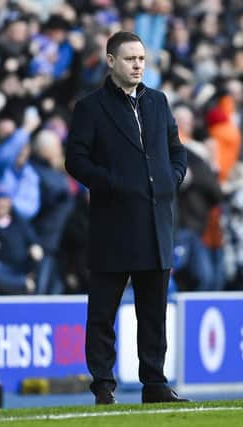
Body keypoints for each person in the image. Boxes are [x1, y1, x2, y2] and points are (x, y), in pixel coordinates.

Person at [65, 31, 187, 405]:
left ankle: (155, 385)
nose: (137, 65)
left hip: (155, 225)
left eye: (141, 59)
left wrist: (172, 178)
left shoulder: (159, 102)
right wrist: (113, 184)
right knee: (102, 314)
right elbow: (76, 161)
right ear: (111, 61)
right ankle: (103, 385)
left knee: (153, 315)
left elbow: (175, 150)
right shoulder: (90, 107)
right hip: (112, 227)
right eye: (130, 58)